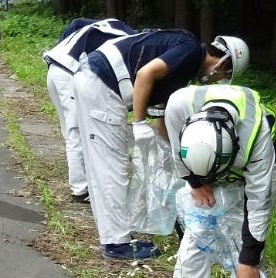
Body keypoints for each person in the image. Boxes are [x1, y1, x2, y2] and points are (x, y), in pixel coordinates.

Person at [72, 28, 249, 261]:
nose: (218, 80)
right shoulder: (190, 50)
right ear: (223, 63)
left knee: (103, 165)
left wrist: (173, 155)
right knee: (111, 168)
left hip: (95, 80)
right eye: (223, 75)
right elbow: (146, 74)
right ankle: (116, 243)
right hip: (103, 83)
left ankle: (113, 236)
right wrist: (138, 123)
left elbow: (164, 117)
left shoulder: (183, 71)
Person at [162, 82, 276, 278]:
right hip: (200, 166)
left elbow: (259, 205)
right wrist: (194, 182)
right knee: (195, 238)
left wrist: (249, 259)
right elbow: (175, 151)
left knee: (244, 243)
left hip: (246, 178)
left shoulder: (256, 139)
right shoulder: (179, 105)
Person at [41, 16, 133, 203]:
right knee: (76, 132)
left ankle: (82, 182)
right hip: (68, 73)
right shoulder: (127, 40)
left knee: (70, 131)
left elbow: (75, 23)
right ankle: (80, 188)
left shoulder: (109, 25)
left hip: (55, 68)